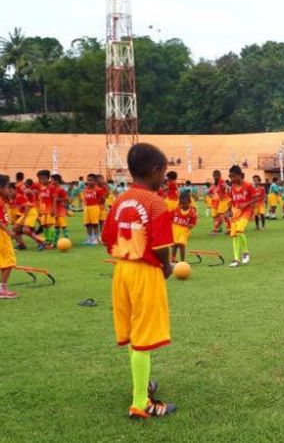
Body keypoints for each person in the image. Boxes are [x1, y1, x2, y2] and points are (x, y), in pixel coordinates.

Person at [101, 142, 176, 419]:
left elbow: (106, 238)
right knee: (145, 336)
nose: (163, 179)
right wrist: (167, 266)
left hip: (122, 270)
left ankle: (141, 386)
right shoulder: (155, 202)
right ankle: (140, 402)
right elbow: (159, 245)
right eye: (164, 173)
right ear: (155, 170)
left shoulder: (120, 200)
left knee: (135, 333)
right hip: (145, 271)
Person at [227, 165, 258, 267]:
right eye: (230, 177)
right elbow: (232, 201)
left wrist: (246, 204)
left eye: (234, 177)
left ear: (240, 175)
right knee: (234, 236)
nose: (232, 179)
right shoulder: (233, 188)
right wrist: (228, 213)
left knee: (239, 230)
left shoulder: (248, 186)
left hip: (246, 212)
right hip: (235, 213)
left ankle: (245, 252)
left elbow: (255, 198)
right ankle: (236, 259)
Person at [11, 180, 47, 251]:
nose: (9, 193)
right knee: (15, 229)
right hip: (26, 213)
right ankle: (22, 245)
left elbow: (27, 206)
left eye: (10, 191)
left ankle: (41, 242)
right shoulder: (14, 197)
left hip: (31, 213)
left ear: (14, 190)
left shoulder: (19, 197)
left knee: (26, 230)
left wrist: (24, 218)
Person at [171, 192, 197, 263]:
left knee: (181, 244)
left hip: (184, 231)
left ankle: (182, 261)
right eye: (180, 204)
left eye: (184, 203)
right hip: (174, 230)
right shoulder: (176, 210)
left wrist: (191, 225)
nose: (182, 205)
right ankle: (172, 260)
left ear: (189, 202)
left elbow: (193, 222)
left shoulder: (192, 212)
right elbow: (170, 218)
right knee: (174, 245)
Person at [82, 174, 102, 245]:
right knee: (87, 224)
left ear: (95, 181)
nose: (88, 182)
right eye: (88, 180)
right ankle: (89, 238)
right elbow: (84, 199)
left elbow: (101, 199)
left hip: (94, 207)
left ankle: (95, 239)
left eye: (90, 180)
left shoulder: (98, 190)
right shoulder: (85, 189)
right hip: (87, 208)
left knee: (95, 224)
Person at [51, 174, 70, 244]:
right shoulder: (52, 189)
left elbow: (67, 199)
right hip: (55, 211)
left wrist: (59, 199)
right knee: (56, 227)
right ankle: (55, 242)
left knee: (64, 226)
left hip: (61, 211)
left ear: (56, 181)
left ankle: (67, 241)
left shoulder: (61, 189)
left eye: (52, 180)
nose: (51, 182)